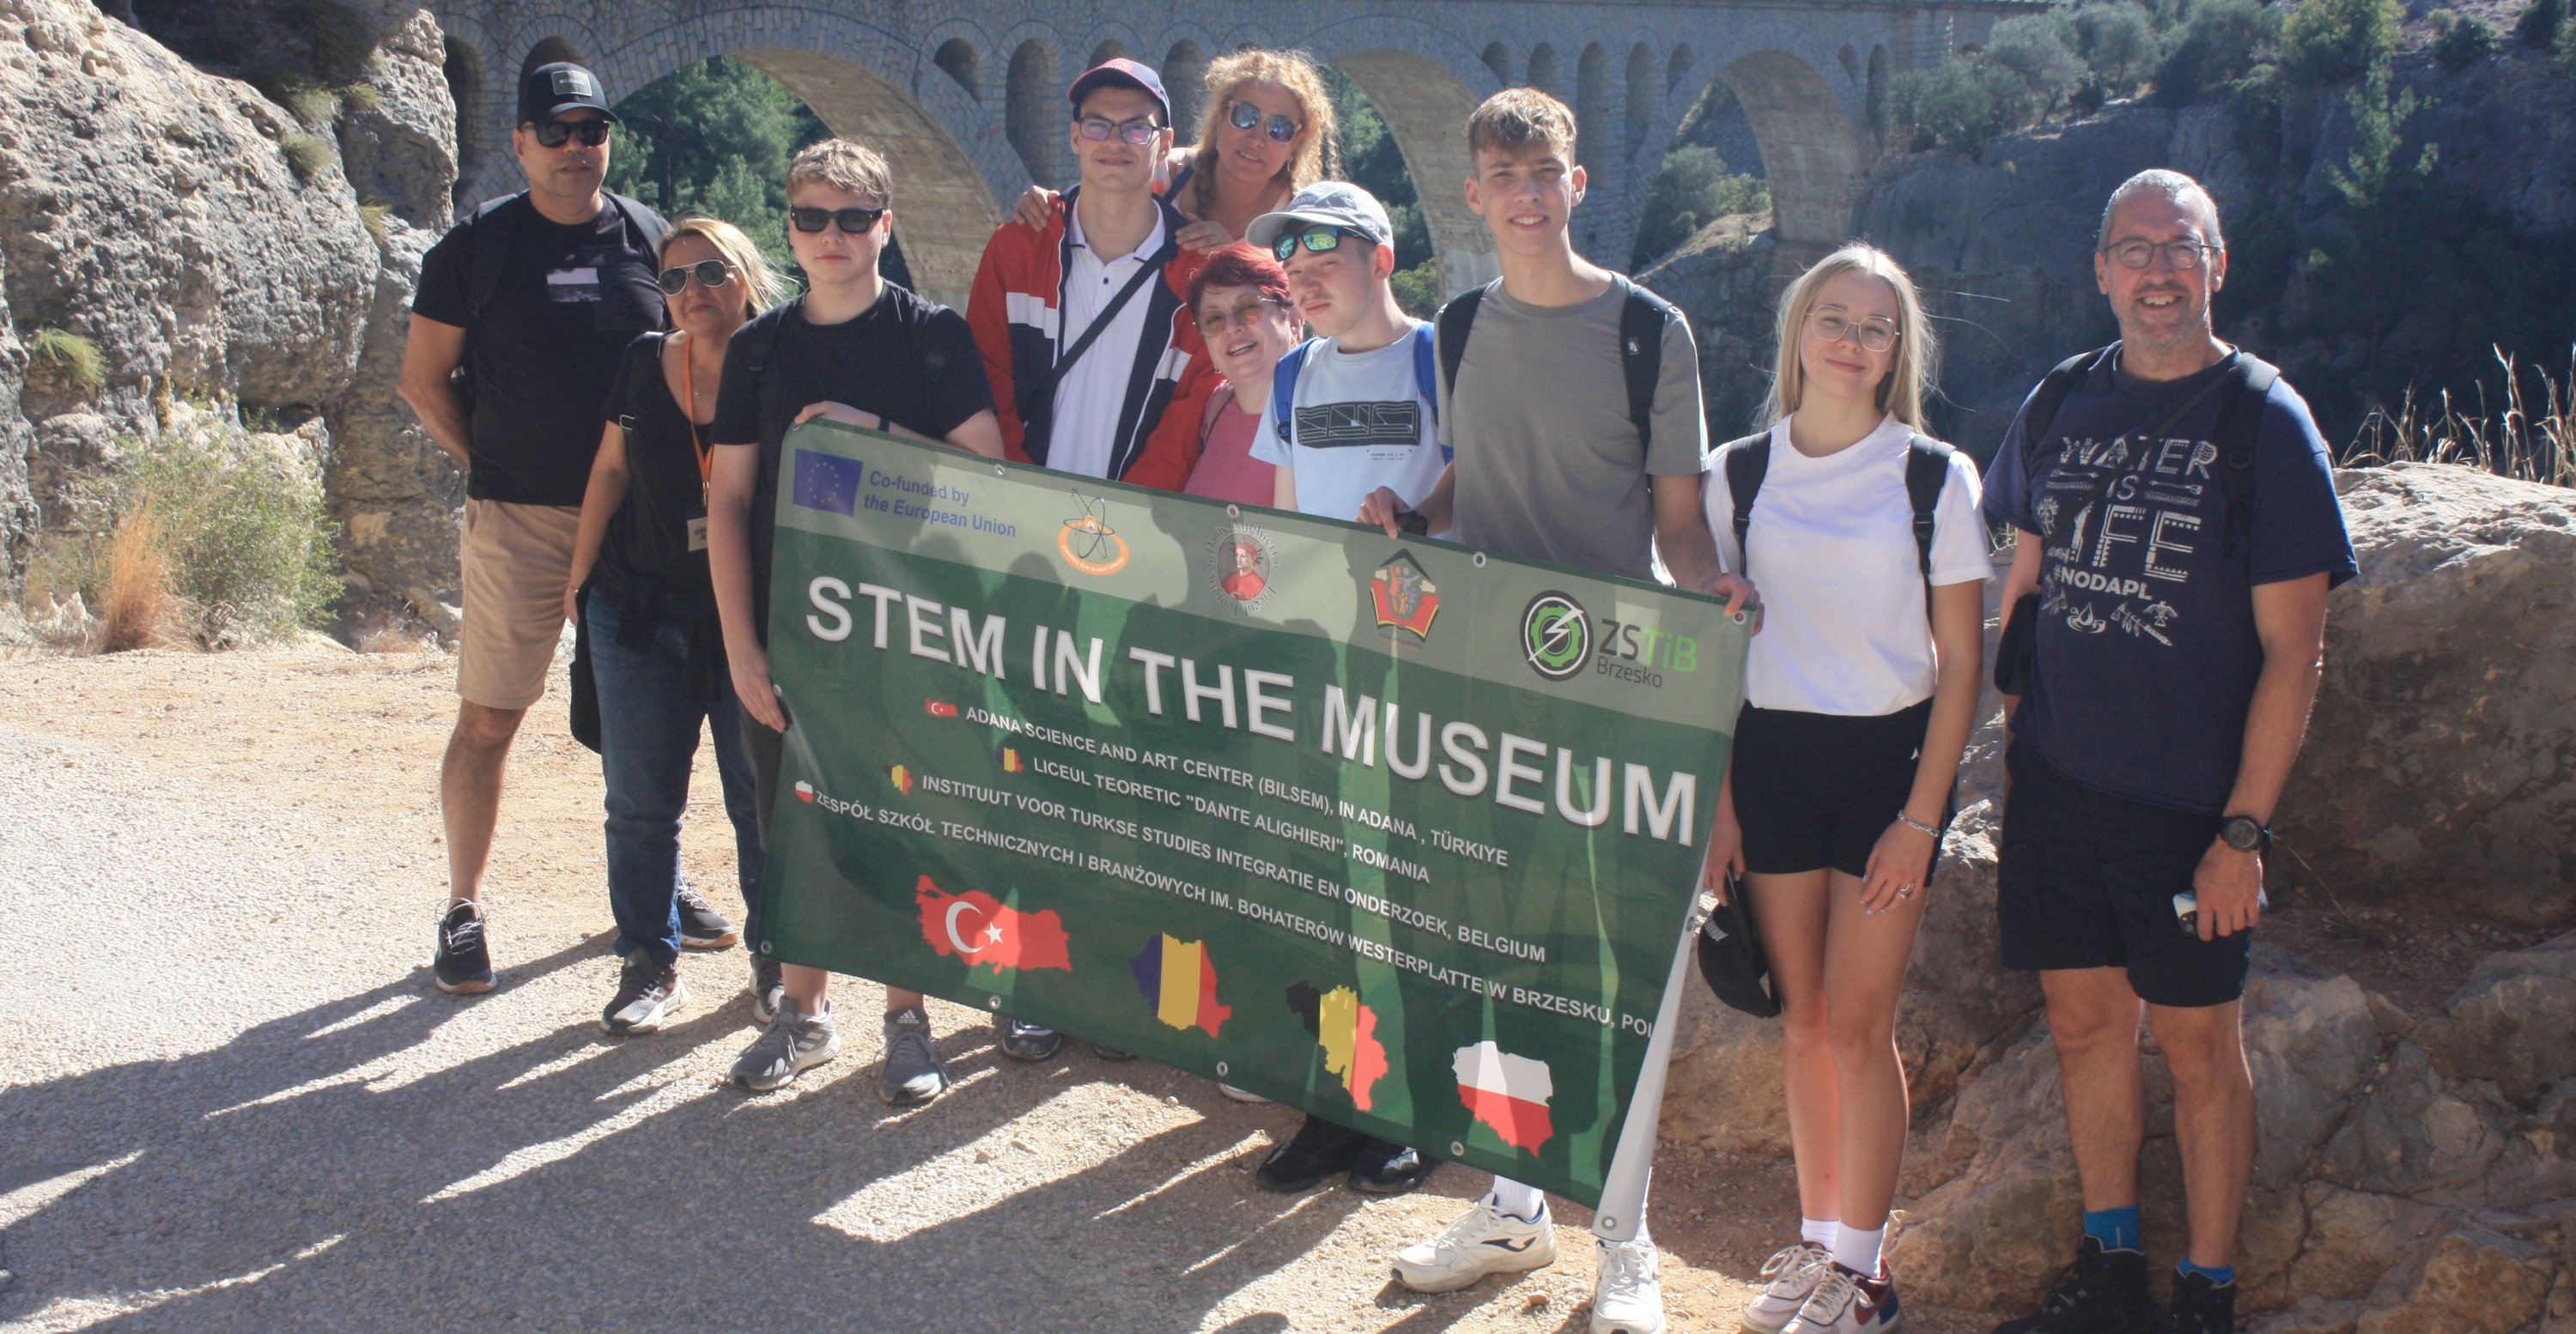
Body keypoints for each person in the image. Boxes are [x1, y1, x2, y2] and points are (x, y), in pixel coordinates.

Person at [1358, 88, 1752, 1334]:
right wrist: (1419, 520)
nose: (1526, 193)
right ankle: (1515, 1200)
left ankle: (1626, 1242)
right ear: (1470, 194)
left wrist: (1715, 602)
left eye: (1546, 171)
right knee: (1495, 949)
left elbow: (1680, 526)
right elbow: (1480, 469)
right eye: (1502, 174)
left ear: (1578, 183)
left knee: (1612, 967)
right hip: (1483, 680)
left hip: (1612, 689)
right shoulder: (1461, 323)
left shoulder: (1651, 330)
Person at [1982, 170, 2354, 1334]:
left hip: (2190, 810)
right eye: (2134, 249)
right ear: (2100, 269)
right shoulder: (2055, 403)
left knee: (2199, 1045)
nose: (2156, 271)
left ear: (2216, 267)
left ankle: (2205, 1290)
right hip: (2058, 787)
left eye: (2178, 249)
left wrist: (2243, 831)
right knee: (2088, 1026)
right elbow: (2025, 580)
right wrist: (2008, 733)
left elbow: (2297, 655)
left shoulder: (2261, 419)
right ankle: (2110, 1272)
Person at [401, 62, 741, 993]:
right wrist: (493, 468)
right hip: (519, 521)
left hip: (641, 530)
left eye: (591, 130)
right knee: (491, 716)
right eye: (554, 132)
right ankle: (464, 909)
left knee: (645, 720)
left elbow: (702, 346)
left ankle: (657, 888)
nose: (575, 149)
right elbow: (422, 381)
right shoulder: (476, 250)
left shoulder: (646, 238)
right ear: (518, 142)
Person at [1700, 246, 1989, 1334]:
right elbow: (1715, 654)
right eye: (1834, 316)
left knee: (1862, 1027)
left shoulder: (1934, 477)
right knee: (1803, 1022)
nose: (1852, 340)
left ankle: (1864, 1277)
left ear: (1896, 351)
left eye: (1876, 325)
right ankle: (1819, 1247)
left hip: (1886, 769)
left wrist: (1924, 818)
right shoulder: (1737, 472)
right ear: (1799, 332)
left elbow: (1960, 661)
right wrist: (1723, 806)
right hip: (1772, 757)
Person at [705, 139, 1006, 1101]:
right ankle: (804, 1014)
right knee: (794, 823)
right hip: (791, 630)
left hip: (904, 629)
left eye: (849, 217)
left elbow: (987, 475)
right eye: (808, 218)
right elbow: (727, 504)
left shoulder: (931, 336)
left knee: (901, 820)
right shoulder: (759, 348)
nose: (828, 237)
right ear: (788, 229)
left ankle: (906, 1021)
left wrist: (869, 433)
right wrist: (740, 645)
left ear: (885, 224)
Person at [968, 57, 1221, 1059]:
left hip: (1138, 560)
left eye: (1137, 125)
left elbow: (1194, 407)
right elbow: (985, 381)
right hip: (1028, 549)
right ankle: (1031, 975)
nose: (1116, 140)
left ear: (1167, 147)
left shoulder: (1204, 272)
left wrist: (1119, 529)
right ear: (1070, 135)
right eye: (1098, 122)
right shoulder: (1020, 244)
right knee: (1027, 768)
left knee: (1126, 776)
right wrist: (1031, 513)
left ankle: (1114, 985)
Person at [1231, 180, 1446, 1198]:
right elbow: (1279, 522)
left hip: (1416, 667)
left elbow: (1477, 489)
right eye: (1295, 263)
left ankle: (1411, 1107)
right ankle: (1332, 1100)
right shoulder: (1292, 377)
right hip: (1317, 667)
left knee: (1405, 891)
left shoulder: (1443, 358)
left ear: (1383, 259)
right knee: (1321, 891)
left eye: (1330, 257)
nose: (1307, 277)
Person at [559, 218, 787, 1034]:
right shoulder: (642, 362)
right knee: (639, 804)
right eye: (676, 278)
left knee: (759, 798)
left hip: (747, 623)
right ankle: (649, 963)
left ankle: (775, 962)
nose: (693, 291)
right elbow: (610, 469)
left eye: (711, 272)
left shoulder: (778, 369)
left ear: (747, 278)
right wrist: (581, 580)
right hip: (640, 610)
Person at [1007, 48, 1340, 252]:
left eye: (1279, 127)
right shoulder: (1166, 174)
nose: (1257, 137)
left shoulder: (1300, 223)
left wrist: (1231, 257)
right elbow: (1099, 193)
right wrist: (1046, 202)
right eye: (1246, 116)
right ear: (1220, 117)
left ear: (1297, 140)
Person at [1180, 243, 1299, 506]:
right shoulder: (1214, 407)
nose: (1231, 328)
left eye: (1248, 308)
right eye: (1213, 320)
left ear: (1292, 316)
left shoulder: (1323, 414)